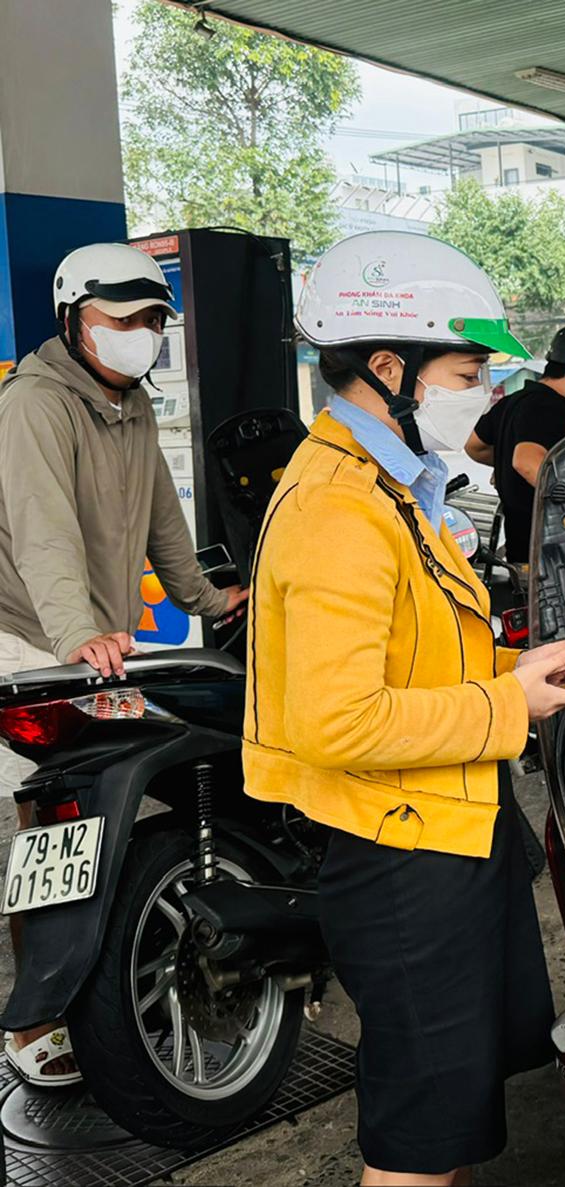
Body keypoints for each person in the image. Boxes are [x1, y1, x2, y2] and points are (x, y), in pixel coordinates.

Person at [245, 230, 565, 1187]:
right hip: (403, 861)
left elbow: (425, 654)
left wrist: (531, 671)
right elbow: (337, 718)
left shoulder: (398, 491)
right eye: (468, 367)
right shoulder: (336, 506)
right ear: (389, 365)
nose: (480, 389)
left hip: (451, 827)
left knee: (459, 1110)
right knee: (420, 1138)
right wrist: (506, 703)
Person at [0, 242, 246, 1088]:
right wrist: (73, 632)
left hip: (95, 633)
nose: (140, 335)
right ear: (74, 320)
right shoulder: (35, 403)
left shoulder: (132, 405)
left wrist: (212, 600)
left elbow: (162, 520)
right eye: (123, 319)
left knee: (119, 803)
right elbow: (41, 529)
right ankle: (33, 1019)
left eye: (152, 321)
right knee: (54, 827)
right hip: (25, 631)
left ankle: (107, 976)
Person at [464, 324, 565, 564]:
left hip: (520, 550)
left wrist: (503, 461)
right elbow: (525, 462)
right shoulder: (549, 407)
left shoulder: (512, 402)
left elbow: (474, 445)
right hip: (547, 560)